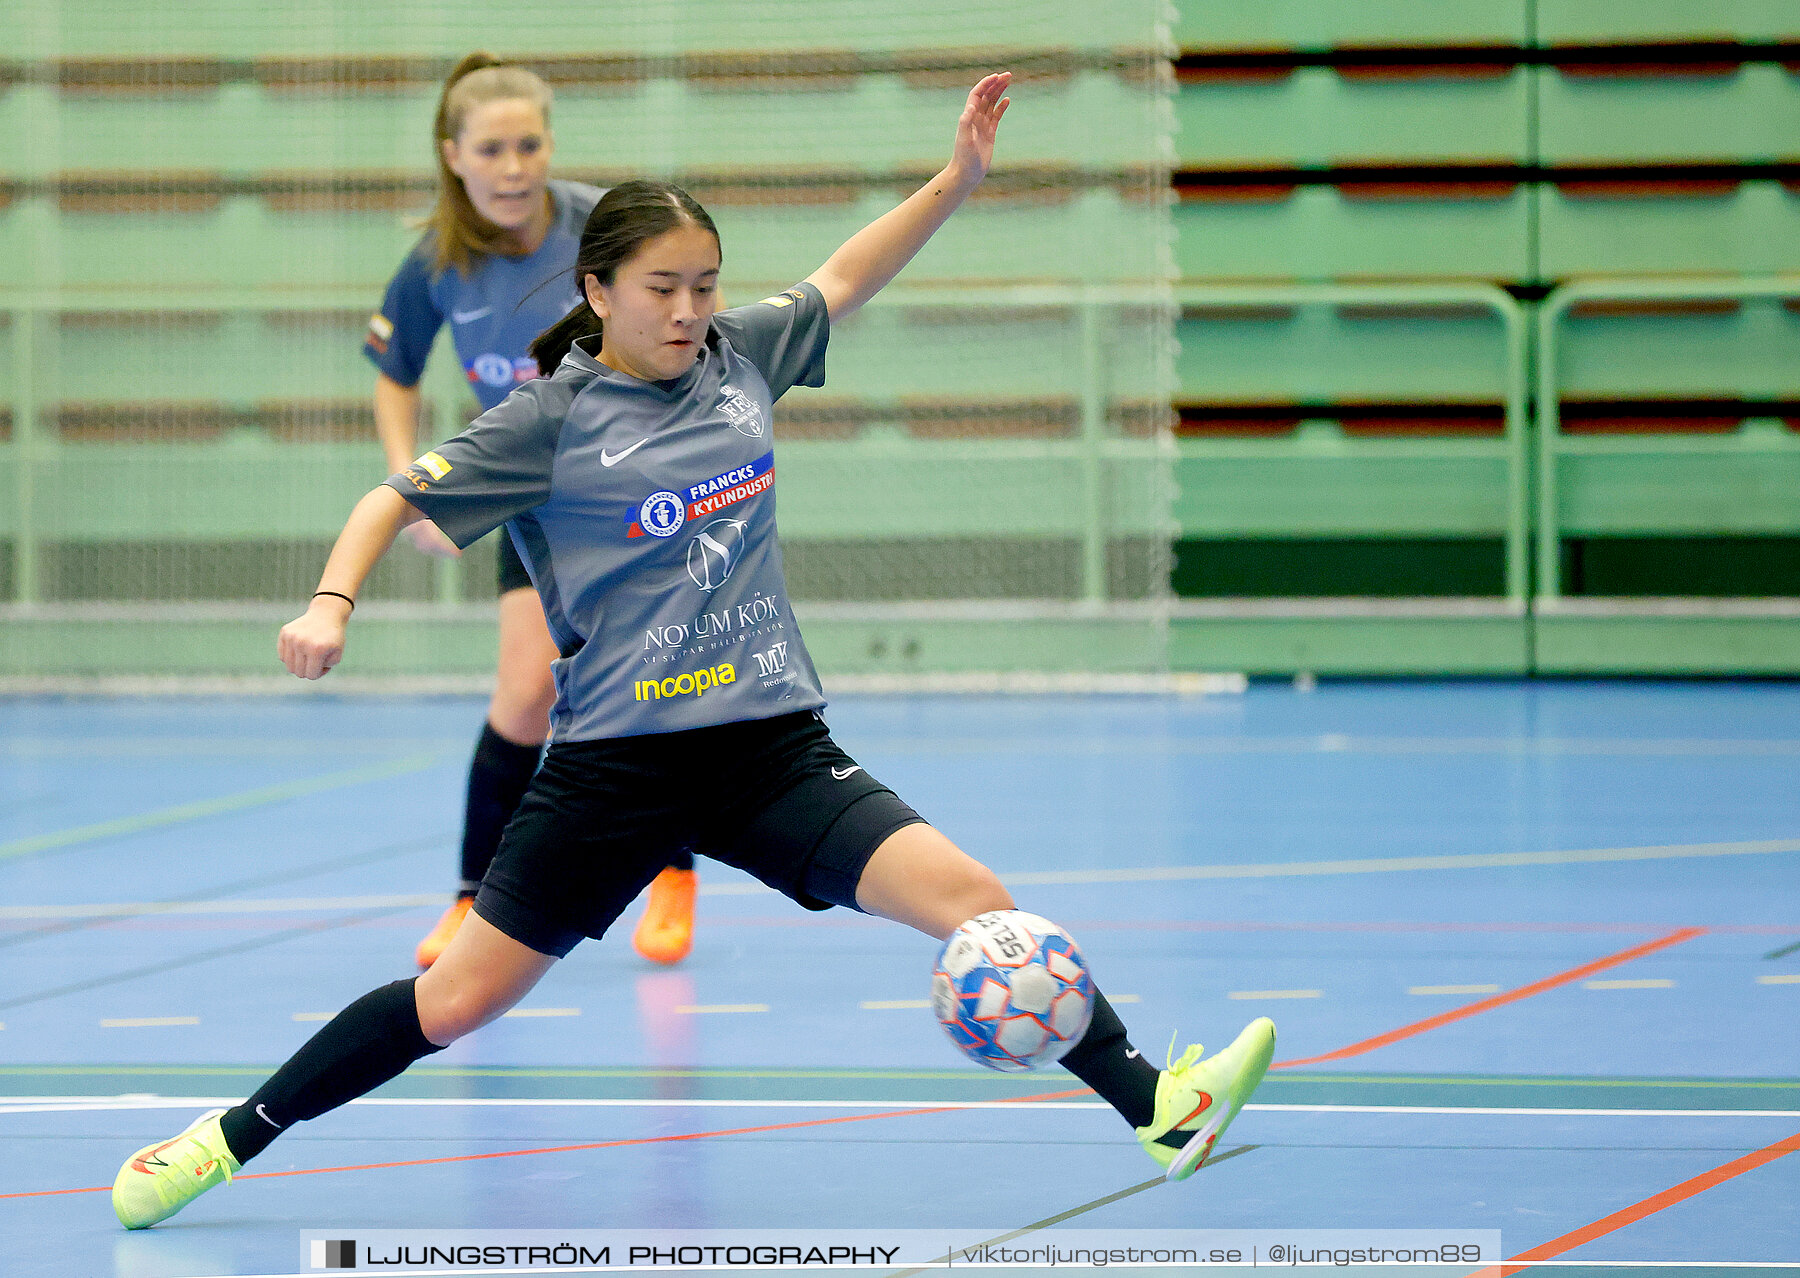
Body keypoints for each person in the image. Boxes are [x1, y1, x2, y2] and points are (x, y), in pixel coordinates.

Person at [112, 74, 1276, 1230]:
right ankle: (220, 1141)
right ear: (598, 290)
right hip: (614, 770)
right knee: (452, 1002)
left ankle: (1161, 1111)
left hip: (767, 750)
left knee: (979, 904)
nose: (686, 308)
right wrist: (330, 605)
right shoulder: (546, 421)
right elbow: (386, 498)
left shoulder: (741, 358)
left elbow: (850, 271)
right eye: (662, 287)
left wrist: (956, 178)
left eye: (704, 285)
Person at [366, 52, 697, 968]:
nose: (514, 166)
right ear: (455, 155)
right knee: (524, 694)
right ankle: (472, 901)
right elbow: (394, 380)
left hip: (639, 487)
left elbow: (689, 316)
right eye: (493, 149)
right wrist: (416, 486)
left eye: (530, 144)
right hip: (533, 501)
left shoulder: (604, 225)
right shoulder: (437, 264)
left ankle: (674, 868)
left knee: (649, 680)